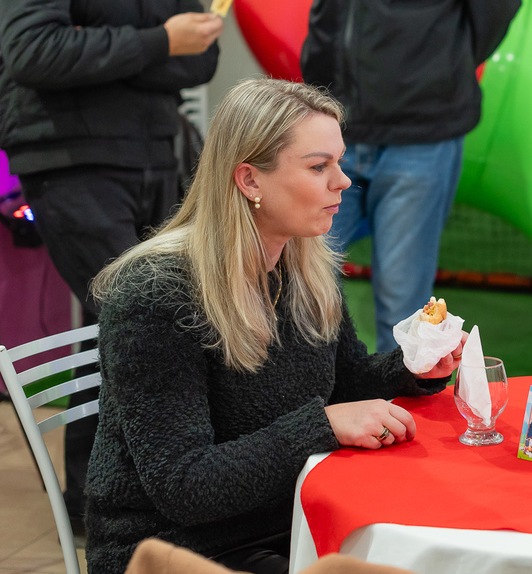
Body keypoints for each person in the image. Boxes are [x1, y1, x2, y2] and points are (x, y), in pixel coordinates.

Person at [84, 79, 464, 574]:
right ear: (249, 180)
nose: (343, 181)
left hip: (292, 522)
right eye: (318, 166)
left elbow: (344, 381)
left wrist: (415, 367)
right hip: (180, 550)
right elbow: (184, 486)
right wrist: (322, 426)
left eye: (339, 161)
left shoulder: (305, 265)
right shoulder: (155, 294)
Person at [0, 0, 221, 526]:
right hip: (69, 159)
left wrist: (135, 48)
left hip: (157, 152)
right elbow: (33, 52)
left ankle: (108, 501)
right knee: (140, 313)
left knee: (123, 327)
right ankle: (120, 503)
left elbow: (202, 58)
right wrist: (155, 44)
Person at [299, 0, 522, 351]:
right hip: (330, 132)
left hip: (420, 139)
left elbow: (497, 4)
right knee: (300, 288)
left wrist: (432, 70)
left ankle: (396, 432)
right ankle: (313, 429)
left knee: (404, 315)